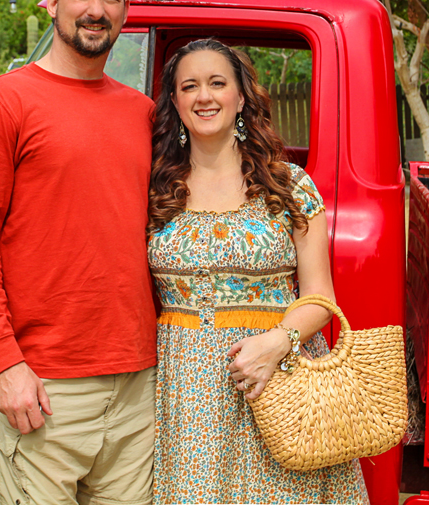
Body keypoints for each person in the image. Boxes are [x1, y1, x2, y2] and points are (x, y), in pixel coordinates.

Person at [0, 0, 157, 505]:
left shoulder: (141, 112)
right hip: (44, 385)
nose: (96, 9)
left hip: (138, 386)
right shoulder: (4, 102)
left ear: (126, 13)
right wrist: (4, 363)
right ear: (51, 3)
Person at [148, 38, 369, 504]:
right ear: (175, 101)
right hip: (188, 396)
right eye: (189, 86)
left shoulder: (288, 184)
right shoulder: (155, 188)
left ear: (241, 96)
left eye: (217, 83)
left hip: (280, 383)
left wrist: (276, 343)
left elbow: (319, 297)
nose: (204, 96)